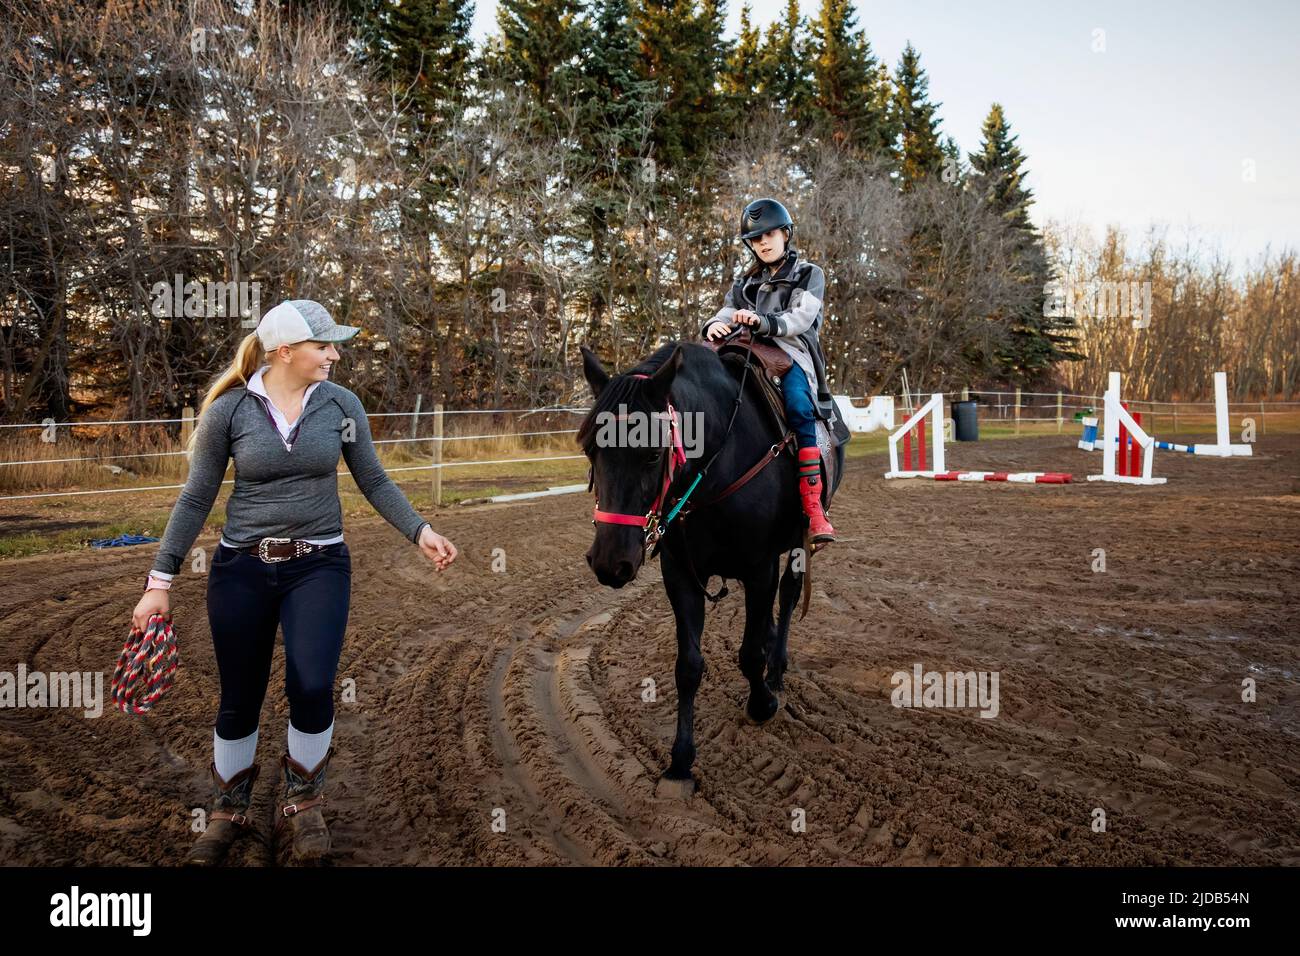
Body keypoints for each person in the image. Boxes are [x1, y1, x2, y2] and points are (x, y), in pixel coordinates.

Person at [132, 299, 457, 866]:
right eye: (323, 345)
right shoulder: (229, 411)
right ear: (286, 351)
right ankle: (229, 809)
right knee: (240, 695)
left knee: (311, 685)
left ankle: (302, 804)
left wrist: (420, 529)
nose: (334, 354)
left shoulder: (342, 405)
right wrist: (160, 580)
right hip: (241, 569)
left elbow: (374, 479)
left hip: (319, 565)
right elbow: (196, 495)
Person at [701, 198, 836, 544]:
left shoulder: (809, 274)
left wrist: (763, 321)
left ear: (786, 233)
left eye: (770, 234)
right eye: (756, 238)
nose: (763, 242)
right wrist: (713, 326)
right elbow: (727, 310)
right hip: (747, 352)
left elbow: (801, 318)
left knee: (798, 407)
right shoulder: (744, 283)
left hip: (790, 354)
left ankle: (812, 504)